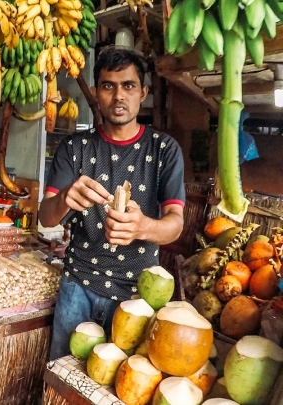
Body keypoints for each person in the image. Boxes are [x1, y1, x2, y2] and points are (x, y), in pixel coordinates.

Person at [38, 48, 185, 361]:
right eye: (108, 86)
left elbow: (175, 223)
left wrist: (144, 226)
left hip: (137, 295)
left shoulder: (164, 150)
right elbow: (46, 217)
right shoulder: (74, 148)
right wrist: (64, 199)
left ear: (143, 93)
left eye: (129, 86)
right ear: (96, 92)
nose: (119, 96)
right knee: (62, 378)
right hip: (77, 285)